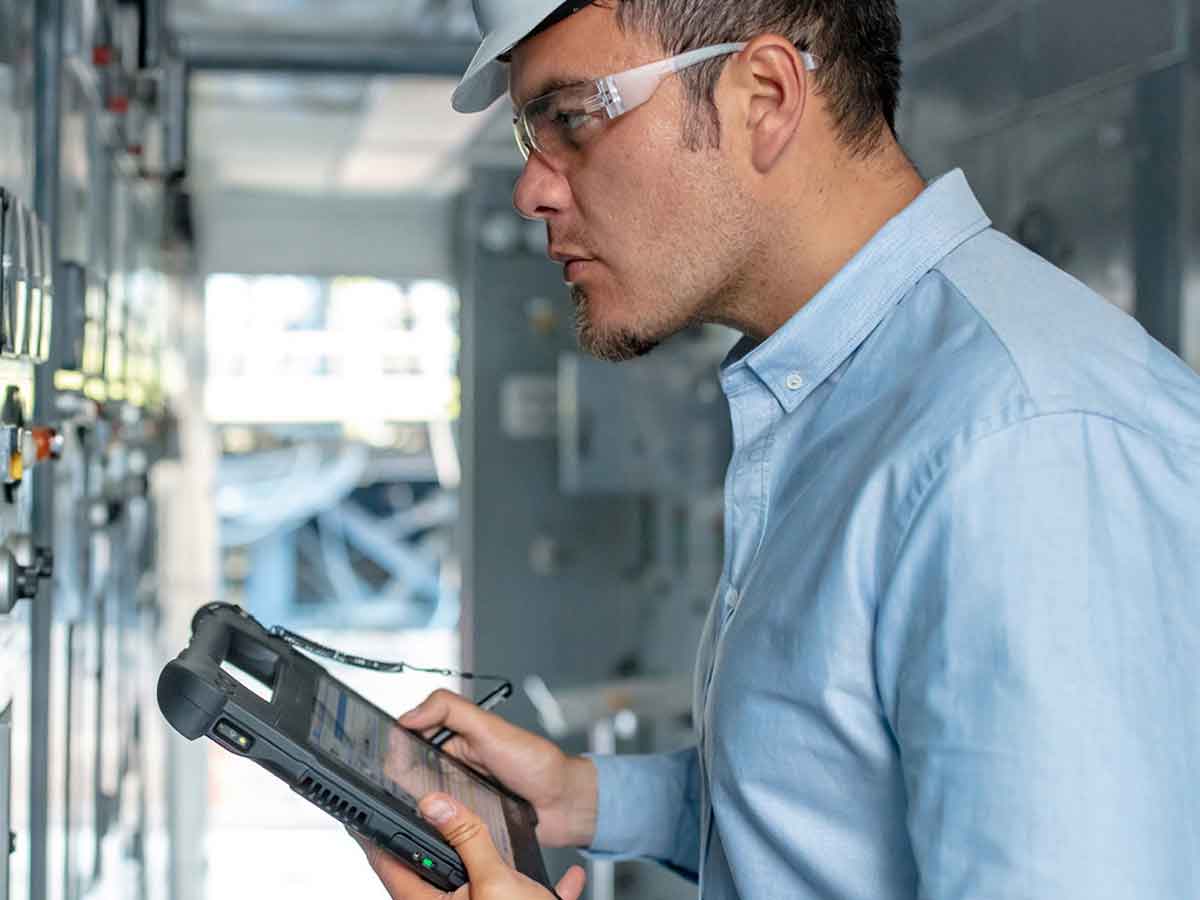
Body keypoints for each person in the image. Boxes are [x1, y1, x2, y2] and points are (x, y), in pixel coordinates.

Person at [360, 1, 1200, 898]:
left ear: (764, 96)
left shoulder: (1025, 448)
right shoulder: (835, 396)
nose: (532, 188)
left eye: (572, 118)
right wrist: (589, 802)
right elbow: (841, 801)